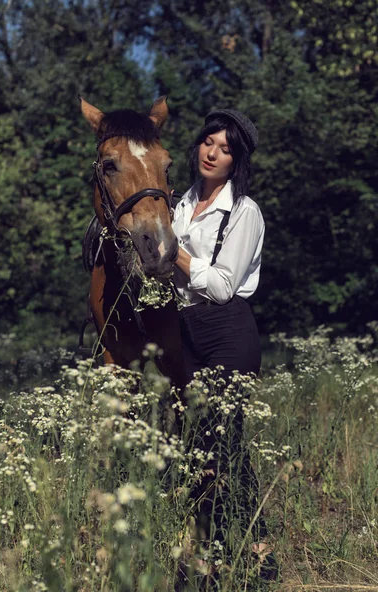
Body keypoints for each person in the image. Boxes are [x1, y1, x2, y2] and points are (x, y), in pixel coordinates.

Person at [172, 109, 277, 582]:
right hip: (183, 330)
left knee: (219, 439)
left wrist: (168, 251)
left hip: (227, 331)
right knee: (203, 445)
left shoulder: (244, 212)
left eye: (225, 148)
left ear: (237, 161)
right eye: (207, 142)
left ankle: (236, 553)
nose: (212, 153)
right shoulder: (177, 203)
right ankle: (231, 551)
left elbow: (219, 285)